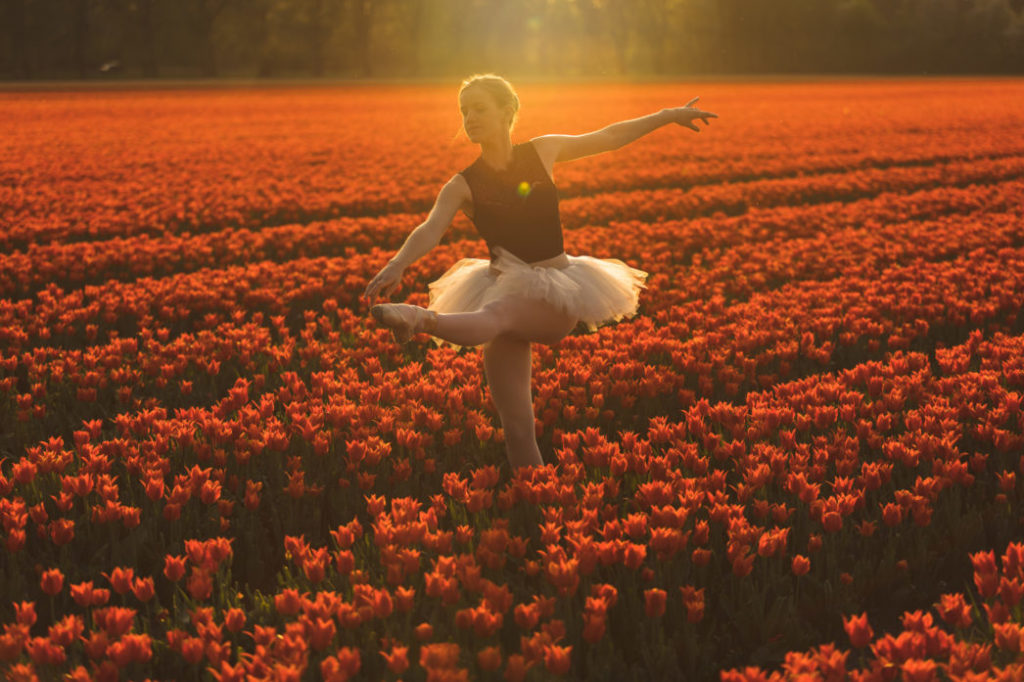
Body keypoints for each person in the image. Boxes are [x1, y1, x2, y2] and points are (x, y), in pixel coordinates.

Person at [362, 74, 716, 470]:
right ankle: (535, 505)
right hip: (498, 288)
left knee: (498, 316)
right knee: (516, 426)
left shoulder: (544, 150)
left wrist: (668, 115)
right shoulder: (462, 184)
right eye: (464, 111)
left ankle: (419, 318)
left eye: (479, 108)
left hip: (555, 291)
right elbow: (430, 228)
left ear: (507, 111)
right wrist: (396, 264)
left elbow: (610, 136)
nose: (470, 118)